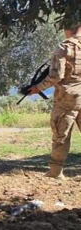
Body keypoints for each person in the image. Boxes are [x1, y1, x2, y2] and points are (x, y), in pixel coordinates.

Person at [27, 22, 81, 179]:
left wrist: (38, 88)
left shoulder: (65, 47)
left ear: (69, 29)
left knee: (60, 134)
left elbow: (56, 76)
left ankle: (55, 172)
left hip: (67, 98)